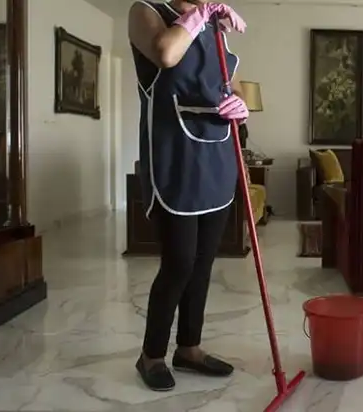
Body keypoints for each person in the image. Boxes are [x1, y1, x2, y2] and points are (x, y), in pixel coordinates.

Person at [127, 0, 248, 391]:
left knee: (202, 265)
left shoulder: (217, 27)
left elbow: (228, 83)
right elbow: (166, 53)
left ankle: (190, 348)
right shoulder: (146, 12)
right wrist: (199, 16)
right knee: (178, 264)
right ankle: (151, 355)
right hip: (175, 160)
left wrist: (240, 106)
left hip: (215, 157)